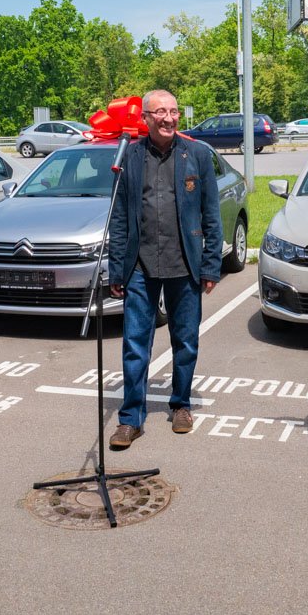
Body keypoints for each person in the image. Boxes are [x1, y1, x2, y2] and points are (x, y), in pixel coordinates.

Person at [107, 89, 222, 448]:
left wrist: (211, 265)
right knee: (134, 343)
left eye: (173, 111)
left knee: (184, 341)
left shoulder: (198, 155)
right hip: (139, 267)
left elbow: (211, 215)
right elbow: (120, 218)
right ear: (146, 118)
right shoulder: (131, 157)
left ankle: (182, 405)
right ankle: (131, 419)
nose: (169, 118)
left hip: (184, 264)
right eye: (160, 112)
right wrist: (115, 270)